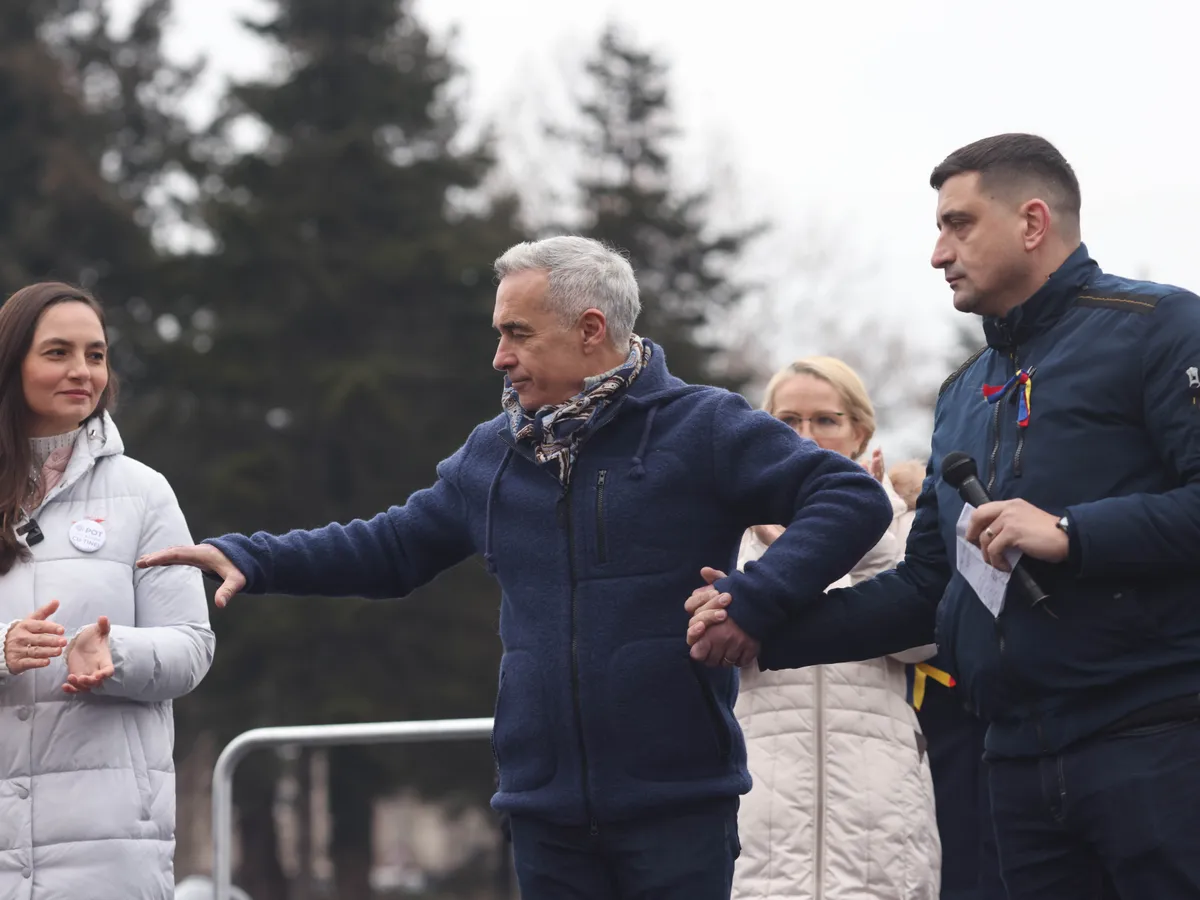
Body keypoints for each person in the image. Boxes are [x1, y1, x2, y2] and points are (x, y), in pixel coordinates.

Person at [137, 236, 895, 900]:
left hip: (679, 807)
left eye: (517, 334)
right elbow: (392, 546)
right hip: (543, 815)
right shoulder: (492, 454)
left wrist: (755, 600)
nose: (499, 356)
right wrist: (249, 556)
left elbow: (850, 497)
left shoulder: (704, 427)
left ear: (590, 330)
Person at [686, 133, 1200, 899]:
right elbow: (928, 584)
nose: (938, 252)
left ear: (1032, 223)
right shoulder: (963, 391)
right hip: (1016, 762)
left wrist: (1071, 535)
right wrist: (760, 626)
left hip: (1155, 741)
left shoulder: (1160, 326)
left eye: (959, 224)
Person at [0, 283, 214, 898]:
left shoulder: (145, 493)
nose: (82, 371)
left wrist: (114, 654)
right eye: (58, 352)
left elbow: (192, 647)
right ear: (12, 365)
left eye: (96, 354)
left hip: (108, 845)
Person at [730, 357, 940, 900]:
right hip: (758, 805)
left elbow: (926, 642)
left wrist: (859, 540)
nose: (805, 437)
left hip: (878, 805)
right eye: (787, 421)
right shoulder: (728, 535)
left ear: (859, 433)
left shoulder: (908, 530)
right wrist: (774, 567)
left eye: (825, 420)